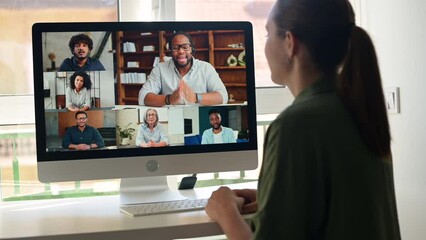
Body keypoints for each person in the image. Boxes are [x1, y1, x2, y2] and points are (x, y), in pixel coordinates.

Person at [205, 0, 401, 239]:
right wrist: (273, 196)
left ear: (289, 42)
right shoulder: (361, 111)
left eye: (268, 34)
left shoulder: (294, 126)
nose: (264, 46)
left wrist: (225, 211)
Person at [138, 31, 228, 107]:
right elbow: (143, 96)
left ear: (192, 49)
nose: (181, 51)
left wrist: (196, 98)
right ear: (170, 51)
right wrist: (169, 99)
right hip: (170, 120)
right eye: (176, 48)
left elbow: (223, 96)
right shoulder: (160, 69)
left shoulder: (206, 68)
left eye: (185, 47)